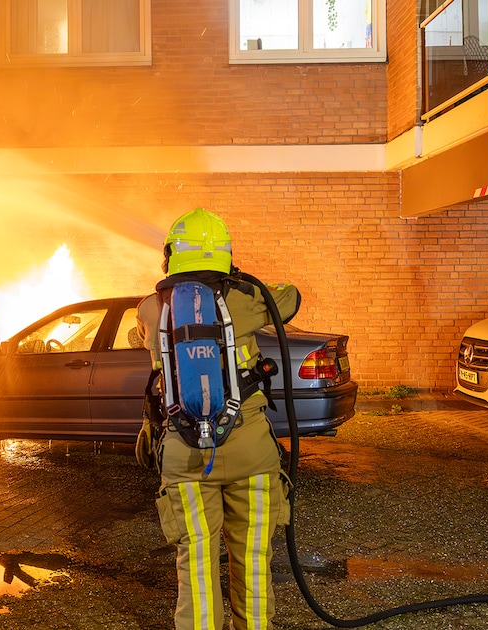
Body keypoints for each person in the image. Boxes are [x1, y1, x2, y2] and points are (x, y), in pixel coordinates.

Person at [136, 208, 301, 629]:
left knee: (196, 568)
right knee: (252, 565)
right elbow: (291, 298)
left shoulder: (151, 308)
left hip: (185, 456)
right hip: (252, 455)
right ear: (224, 254)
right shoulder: (245, 299)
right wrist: (239, 277)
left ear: (172, 255)